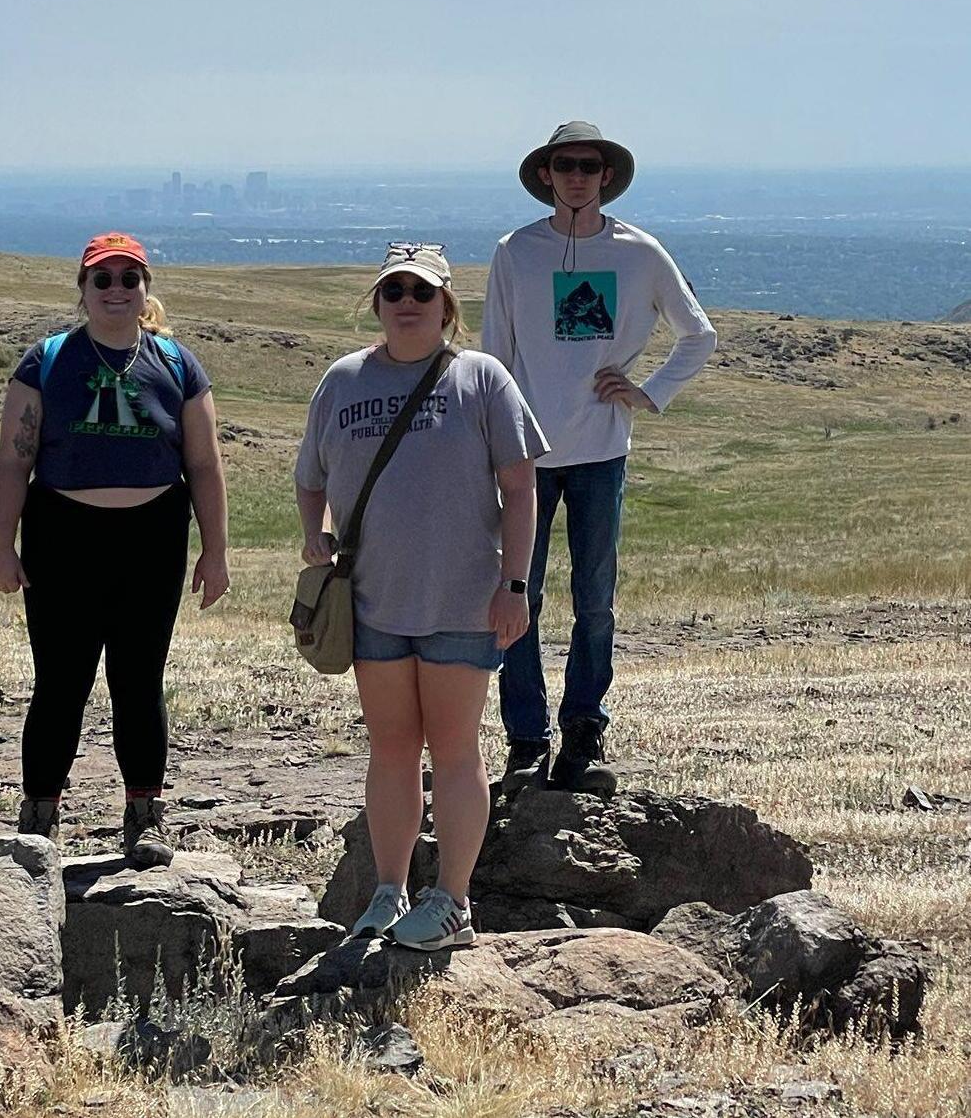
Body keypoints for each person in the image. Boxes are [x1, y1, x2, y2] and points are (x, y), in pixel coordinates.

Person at [295, 242, 545, 951]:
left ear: (446, 307)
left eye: (421, 292)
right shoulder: (342, 381)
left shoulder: (482, 378)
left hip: (462, 605)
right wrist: (312, 532)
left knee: (455, 751)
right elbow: (309, 476)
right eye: (393, 290)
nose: (407, 302)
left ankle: (453, 901)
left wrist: (514, 584)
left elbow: (521, 487)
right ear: (376, 303)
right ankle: (387, 889)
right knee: (390, 748)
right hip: (373, 604)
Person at [482, 121, 716, 799]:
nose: (576, 175)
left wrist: (649, 392)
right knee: (514, 597)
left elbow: (696, 333)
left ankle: (583, 723)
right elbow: (494, 355)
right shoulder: (514, 251)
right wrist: (491, 440)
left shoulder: (638, 252)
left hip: (601, 454)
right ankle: (526, 736)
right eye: (564, 164)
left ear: (606, 175)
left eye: (588, 164)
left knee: (595, 600)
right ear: (546, 175)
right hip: (525, 456)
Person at [0, 233, 229, 868]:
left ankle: (145, 811)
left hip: (153, 534)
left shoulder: (177, 364)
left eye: (129, 279)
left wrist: (216, 550)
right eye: (103, 280)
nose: (116, 290)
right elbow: (14, 464)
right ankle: (40, 808)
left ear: (146, 289)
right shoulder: (46, 361)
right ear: (84, 289)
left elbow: (203, 465)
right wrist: (0, 548)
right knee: (60, 681)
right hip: (61, 534)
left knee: (139, 678)